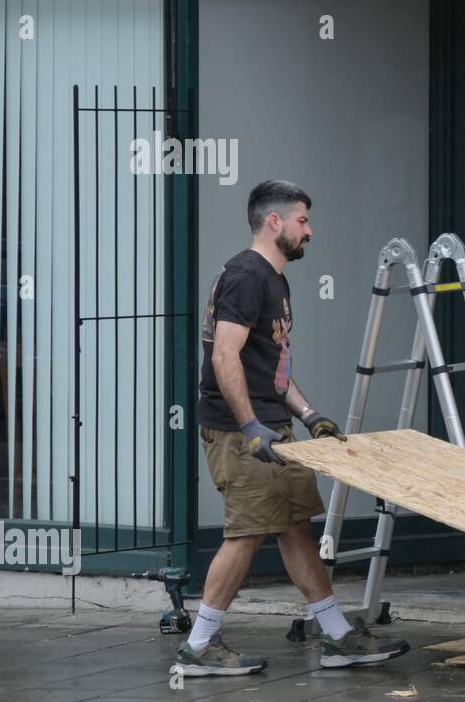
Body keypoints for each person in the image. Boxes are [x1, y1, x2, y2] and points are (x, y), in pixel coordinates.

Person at [175, 179, 409, 676]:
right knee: (248, 532)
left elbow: (272, 365)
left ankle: (339, 637)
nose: (310, 230)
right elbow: (224, 355)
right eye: (302, 220)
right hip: (242, 433)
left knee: (295, 527)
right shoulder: (246, 275)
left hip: (272, 427)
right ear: (274, 221)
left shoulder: (273, 279)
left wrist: (308, 415)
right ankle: (198, 645)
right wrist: (251, 426)